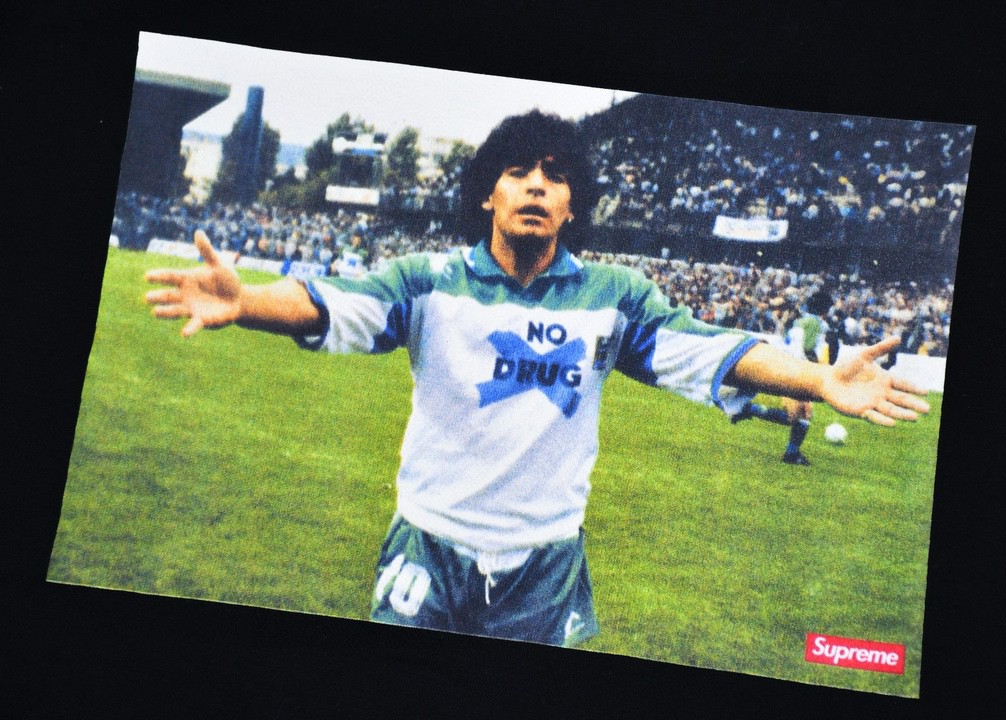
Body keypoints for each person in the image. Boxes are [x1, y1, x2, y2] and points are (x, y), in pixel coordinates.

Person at [145, 110, 929, 648]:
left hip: (544, 565)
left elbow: (711, 349)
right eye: (517, 172)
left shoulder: (615, 297)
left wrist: (818, 379)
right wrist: (247, 301)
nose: (535, 186)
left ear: (572, 204)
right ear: (487, 193)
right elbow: (332, 303)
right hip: (428, 544)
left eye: (554, 176)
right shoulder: (429, 281)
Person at [729, 288, 837, 465]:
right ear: (825, 309)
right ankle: (750, 411)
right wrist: (818, 367)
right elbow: (808, 348)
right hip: (798, 371)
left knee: (800, 415)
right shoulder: (817, 324)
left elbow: (788, 341)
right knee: (798, 415)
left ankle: (790, 452)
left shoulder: (800, 321)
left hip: (788, 367)